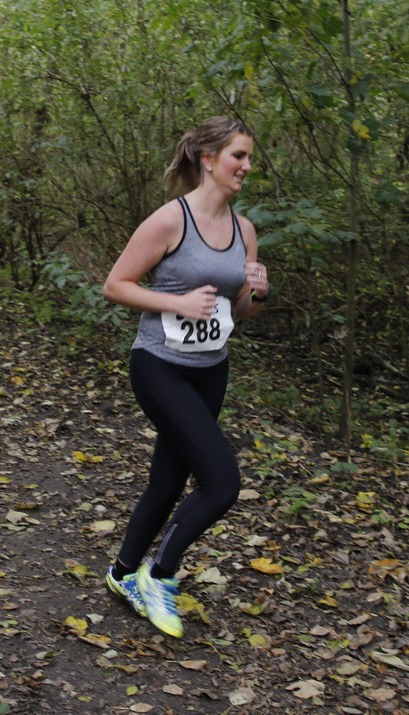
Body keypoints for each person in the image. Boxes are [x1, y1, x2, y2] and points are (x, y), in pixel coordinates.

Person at [101, 116, 270, 639]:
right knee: (222, 483)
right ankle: (160, 576)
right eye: (239, 155)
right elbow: (116, 285)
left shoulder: (244, 231)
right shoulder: (170, 221)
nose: (247, 166)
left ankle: (122, 574)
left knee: (169, 480)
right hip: (159, 367)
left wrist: (257, 292)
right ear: (209, 159)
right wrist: (176, 302)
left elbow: (240, 312)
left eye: (249, 157)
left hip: (211, 370)